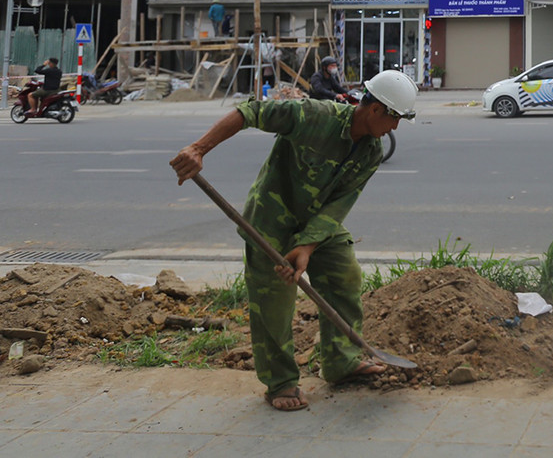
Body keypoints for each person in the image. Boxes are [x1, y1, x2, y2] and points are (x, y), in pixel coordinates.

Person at [168, 69, 418, 412]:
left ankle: (341, 361)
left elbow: (340, 203)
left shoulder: (371, 151)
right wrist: (199, 149)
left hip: (318, 224)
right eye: (395, 118)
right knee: (273, 302)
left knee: (344, 275)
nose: (395, 128)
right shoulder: (314, 115)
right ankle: (280, 382)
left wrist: (308, 246)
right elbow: (250, 112)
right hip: (271, 222)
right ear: (375, 109)